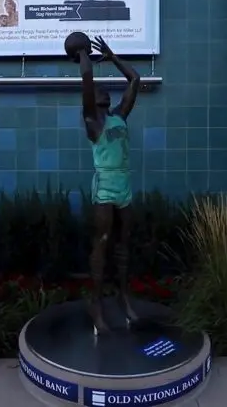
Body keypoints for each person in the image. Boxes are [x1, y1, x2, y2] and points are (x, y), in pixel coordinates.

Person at [75, 36, 141, 334]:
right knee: (102, 244)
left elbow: (135, 78)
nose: (102, 90)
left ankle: (124, 296)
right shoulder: (93, 121)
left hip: (124, 184)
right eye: (97, 90)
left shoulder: (119, 117)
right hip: (104, 188)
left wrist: (113, 56)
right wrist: (82, 55)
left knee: (124, 245)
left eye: (104, 90)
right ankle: (97, 304)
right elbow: (87, 82)